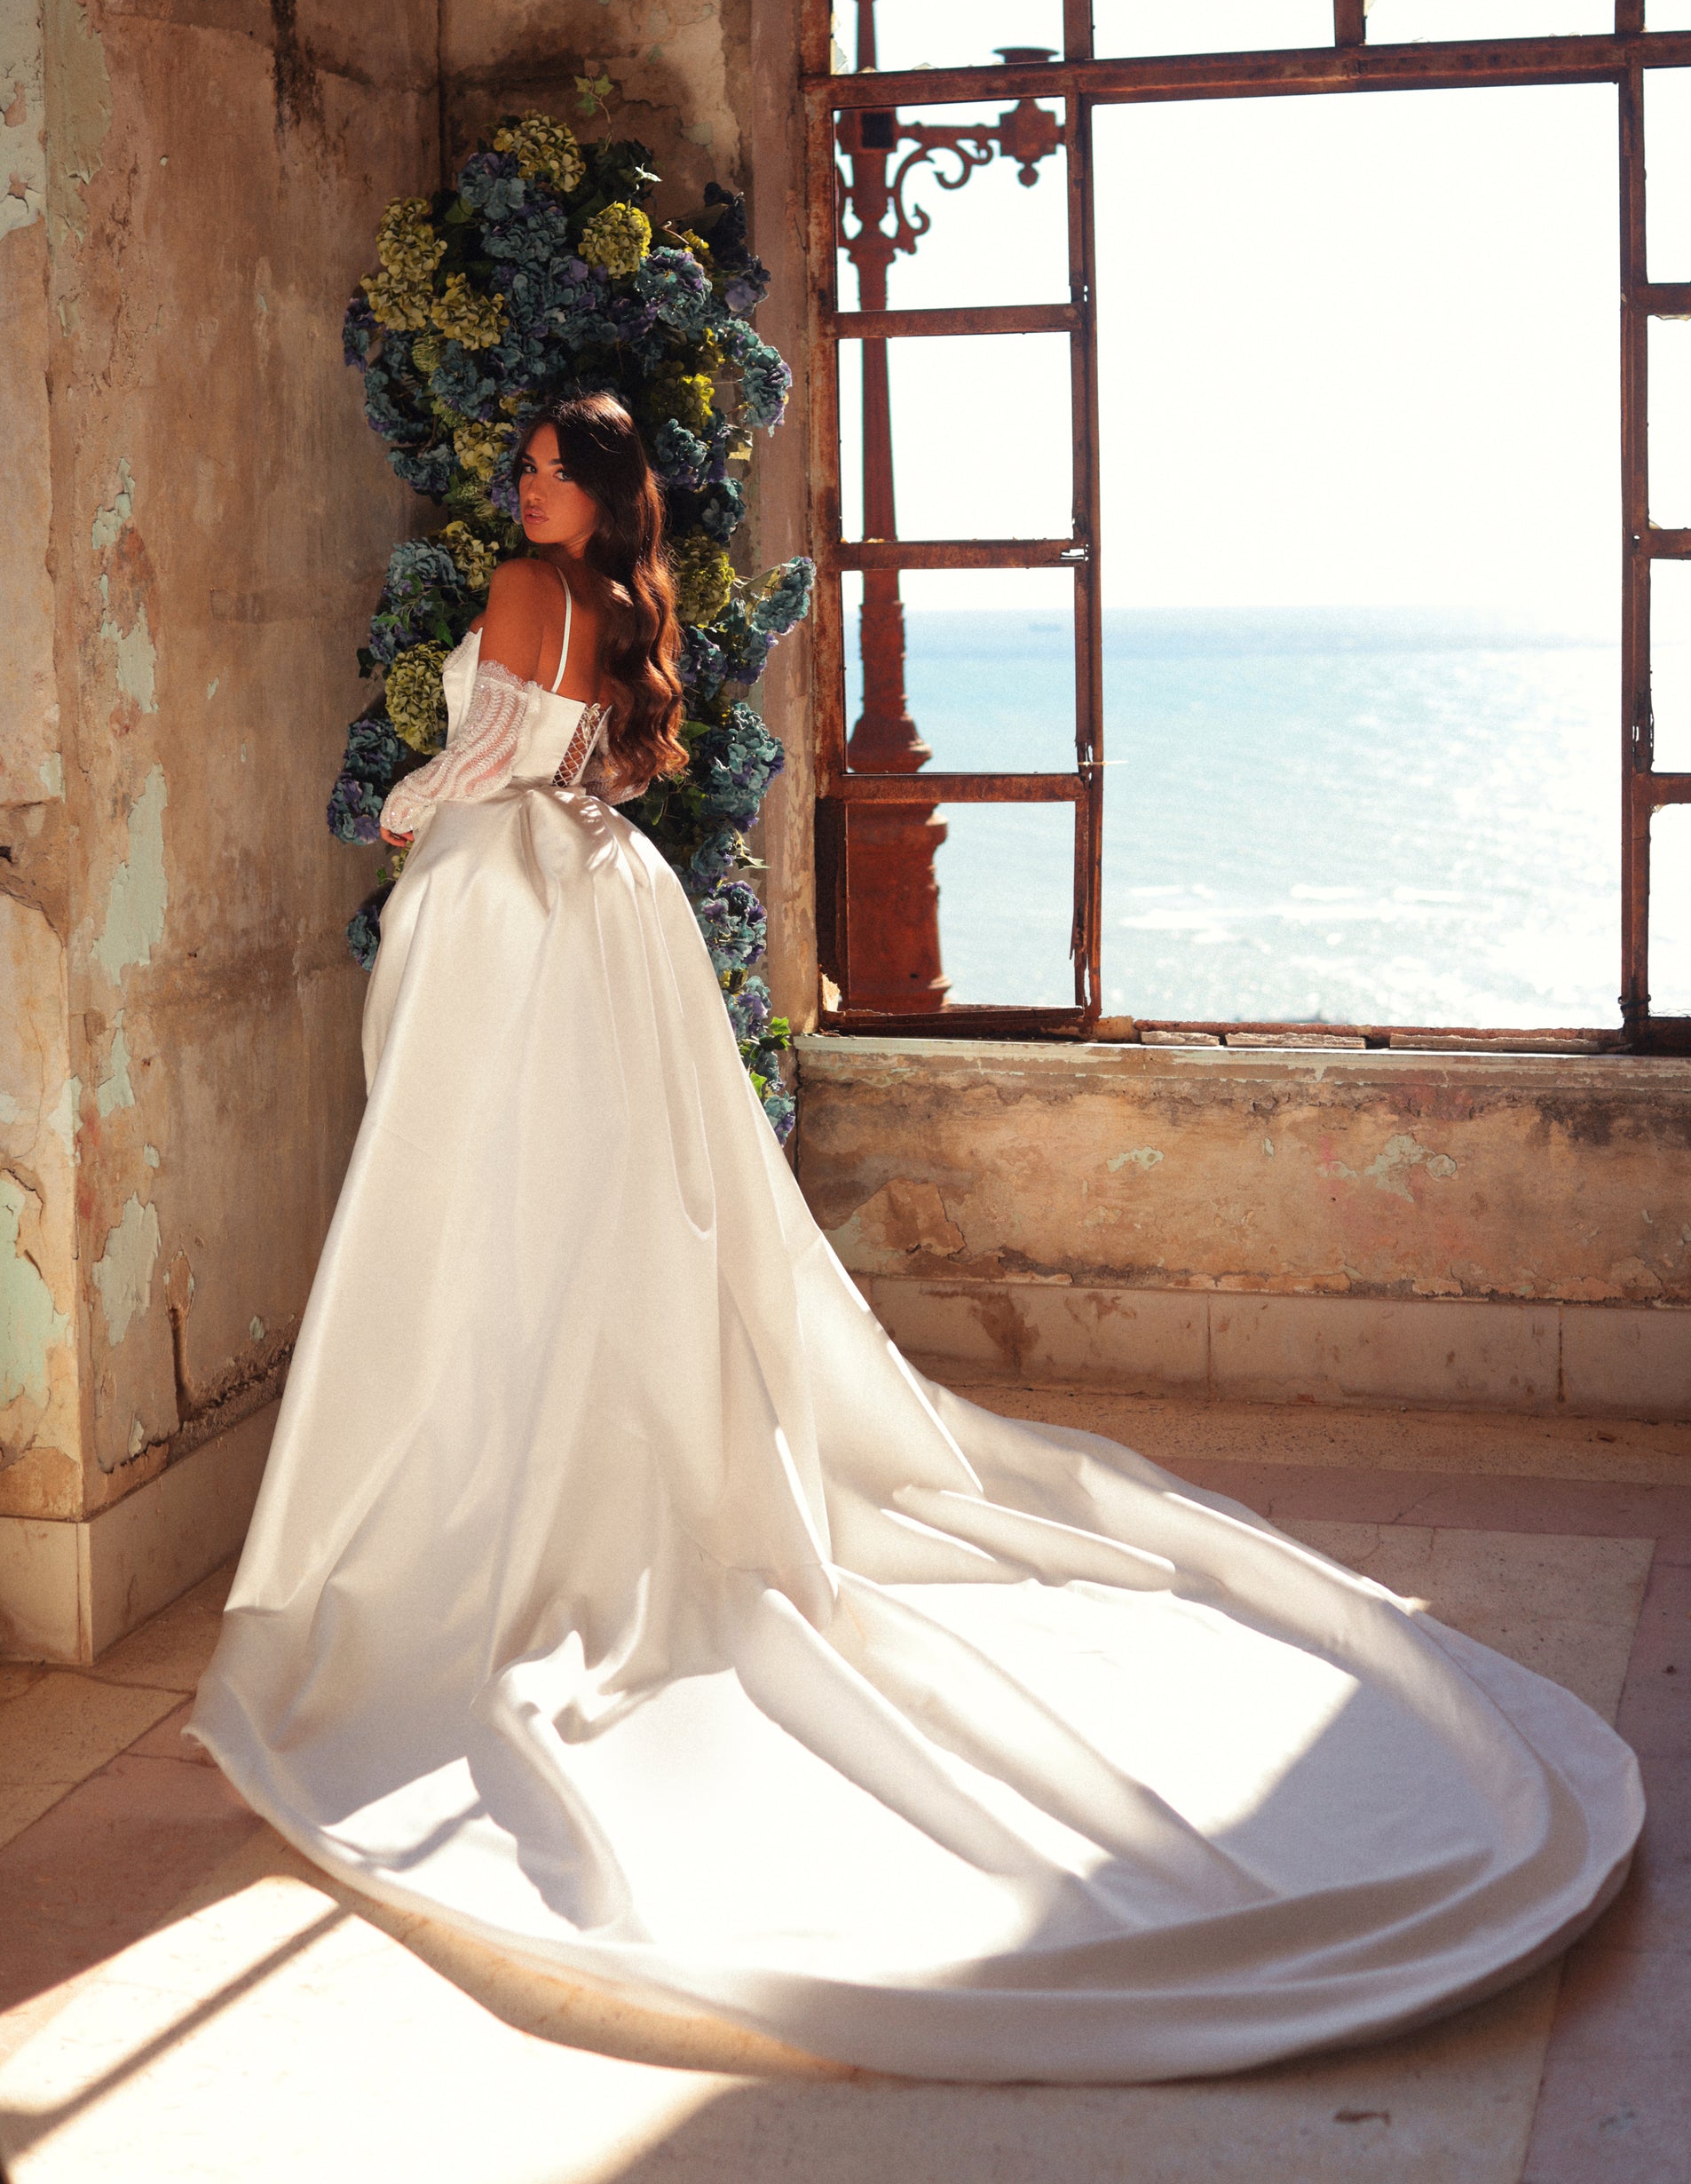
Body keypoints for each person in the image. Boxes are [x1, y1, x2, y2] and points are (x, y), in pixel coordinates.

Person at [192, 393, 1641, 2085]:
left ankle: (488, 1474)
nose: (517, 487)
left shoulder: (528, 584)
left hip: (513, 894)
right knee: (610, 1203)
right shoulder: (619, 604)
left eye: (539, 468)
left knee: (481, 1197)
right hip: (606, 898)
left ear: (589, 496)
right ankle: (594, 1438)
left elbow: (501, 755)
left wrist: (397, 810)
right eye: (520, 467)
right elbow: (588, 752)